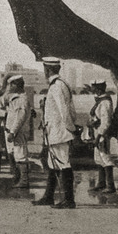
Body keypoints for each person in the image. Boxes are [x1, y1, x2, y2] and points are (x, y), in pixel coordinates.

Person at [32, 57, 76, 208]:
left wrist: (70, 129)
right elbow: (69, 109)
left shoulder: (57, 86)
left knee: (63, 163)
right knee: (53, 164)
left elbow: (64, 111)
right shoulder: (61, 84)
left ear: (48, 70)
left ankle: (69, 200)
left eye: (45, 69)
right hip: (55, 132)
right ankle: (49, 197)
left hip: (59, 132)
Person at [88, 79, 115, 193]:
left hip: (102, 134)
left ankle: (110, 186)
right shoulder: (100, 100)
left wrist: (99, 136)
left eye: (93, 87)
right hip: (97, 132)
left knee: (105, 158)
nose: (91, 88)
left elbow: (106, 122)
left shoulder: (105, 102)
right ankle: (101, 183)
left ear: (98, 88)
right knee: (98, 159)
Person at [5, 75, 31, 189]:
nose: (9, 87)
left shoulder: (21, 99)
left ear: (16, 85)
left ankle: (24, 180)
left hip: (18, 131)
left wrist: (12, 132)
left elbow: (20, 117)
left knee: (20, 155)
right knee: (14, 153)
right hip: (12, 130)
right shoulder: (15, 97)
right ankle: (18, 177)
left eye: (11, 85)